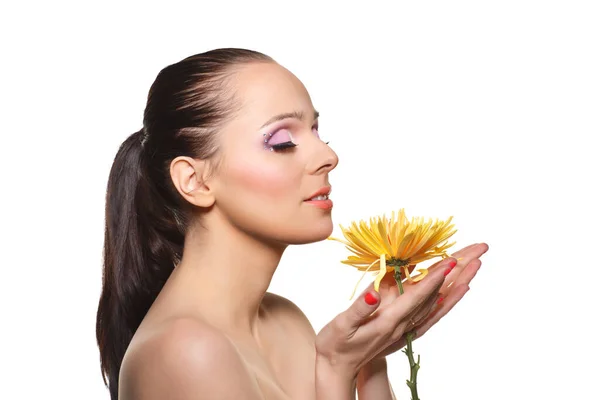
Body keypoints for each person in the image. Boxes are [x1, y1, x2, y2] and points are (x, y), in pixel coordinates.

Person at [96, 48, 489, 400]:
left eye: (316, 130)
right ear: (195, 182)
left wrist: (370, 358)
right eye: (282, 140)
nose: (328, 155)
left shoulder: (287, 323)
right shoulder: (185, 351)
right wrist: (337, 369)